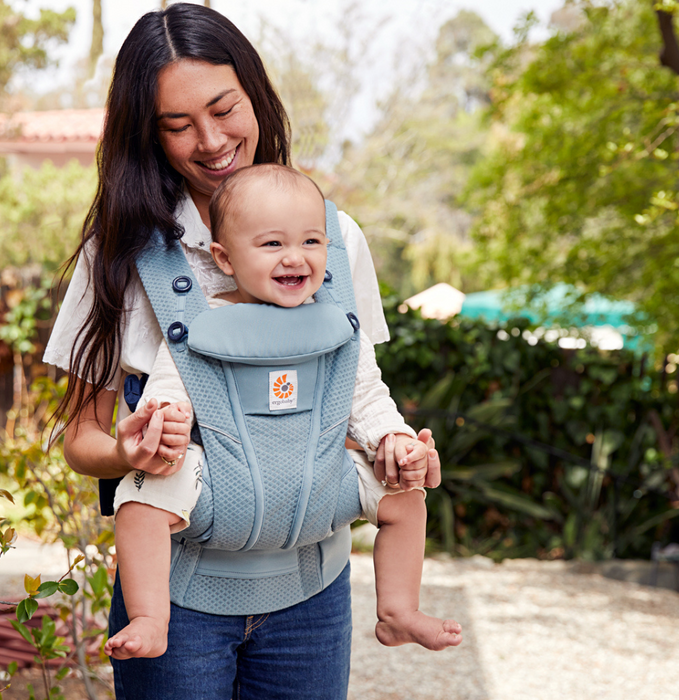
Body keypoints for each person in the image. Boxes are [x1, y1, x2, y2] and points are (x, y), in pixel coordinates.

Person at [44, 4, 443, 699]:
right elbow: (80, 437)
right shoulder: (119, 255)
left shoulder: (335, 235)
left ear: (256, 92)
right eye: (177, 125)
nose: (210, 140)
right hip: (181, 594)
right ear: (148, 134)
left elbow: (357, 390)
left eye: (225, 108)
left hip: (311, 594)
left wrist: (399, 447)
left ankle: (398, 607)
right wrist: (129, 452)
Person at [103, 164, 462, 660]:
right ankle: (150, 615)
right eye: (273, 245)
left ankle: (399, 609)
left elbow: (368, 399)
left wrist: (395, 441)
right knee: (138, 500)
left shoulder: (340, 326)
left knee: (404, 493)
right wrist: (166, 425)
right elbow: (166, 395)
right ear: (225, 258)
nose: (295, 257)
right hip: (221, 490)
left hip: (321, 487)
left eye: (312, 242)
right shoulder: (199, 326)